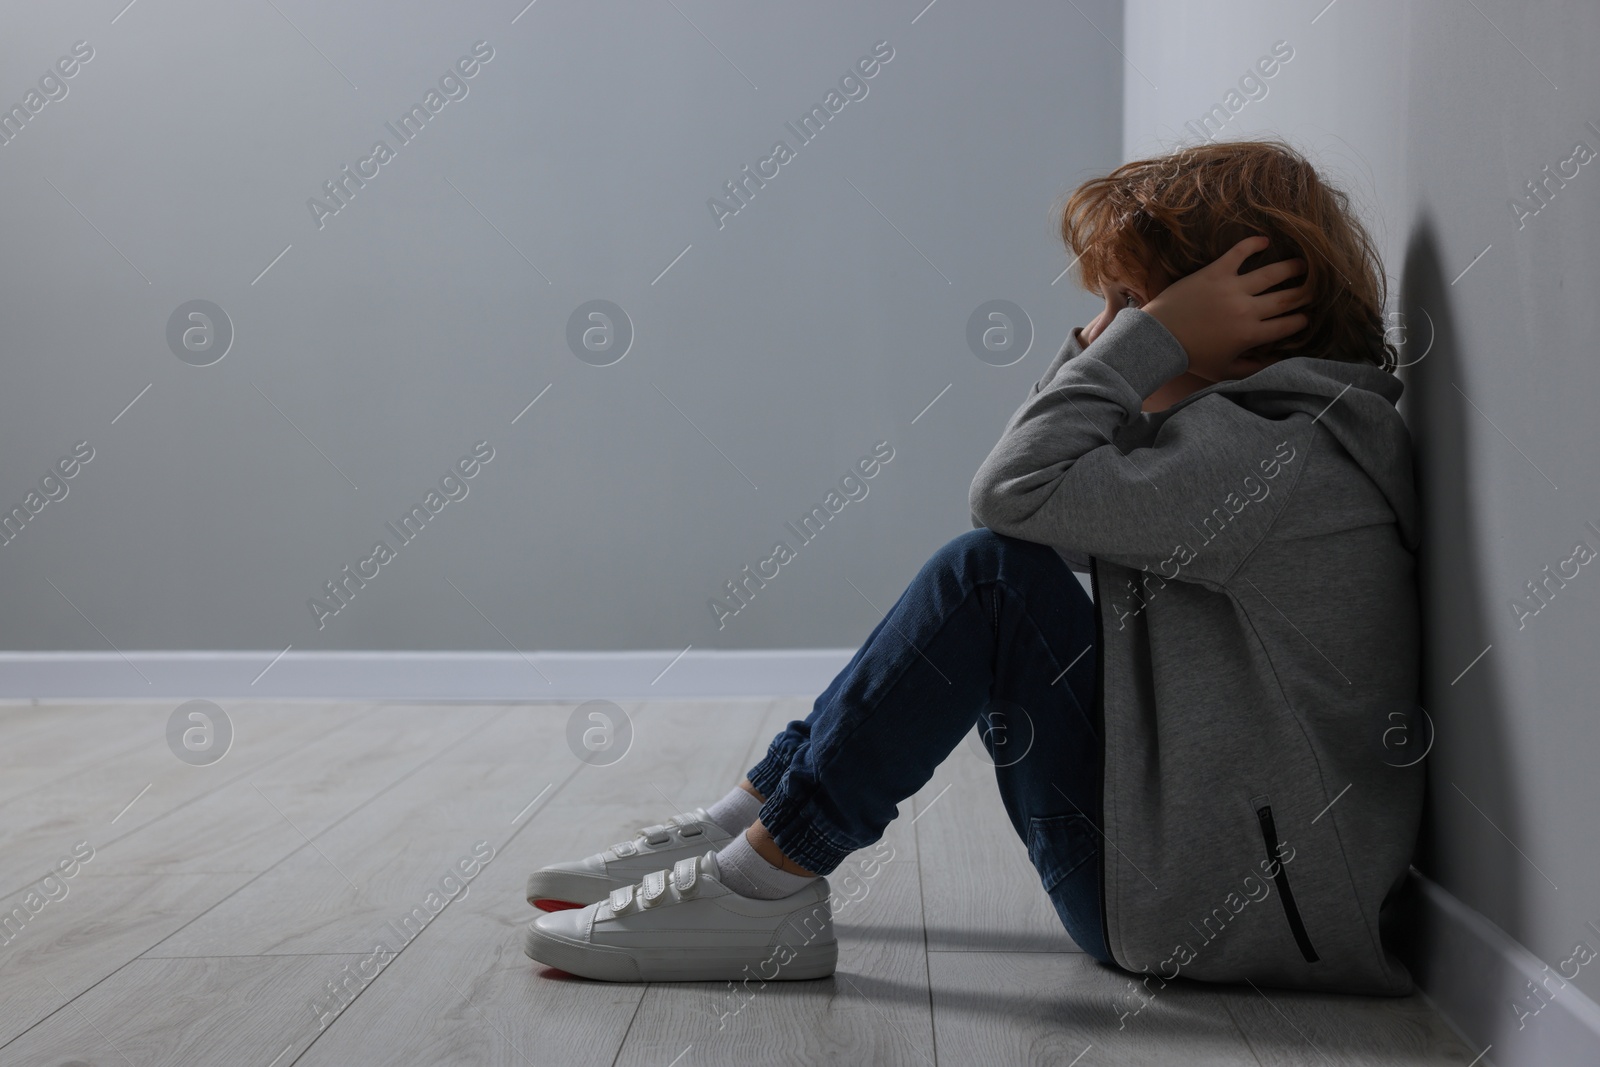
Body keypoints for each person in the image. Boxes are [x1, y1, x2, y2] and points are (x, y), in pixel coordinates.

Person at [522, 138, 1424, 995]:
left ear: (1256, 306)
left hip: (1217, 917)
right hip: (1203, 880)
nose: (1105, 332)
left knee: (989, 578)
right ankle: (740, 835)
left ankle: (761, 885)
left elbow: (1013, 491)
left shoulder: (1274, 458)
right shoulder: (1256, 433)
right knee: (1002, 574)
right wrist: (1131, 344)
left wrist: (1139, 346)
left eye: (1133, 309)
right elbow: (1044, 500)